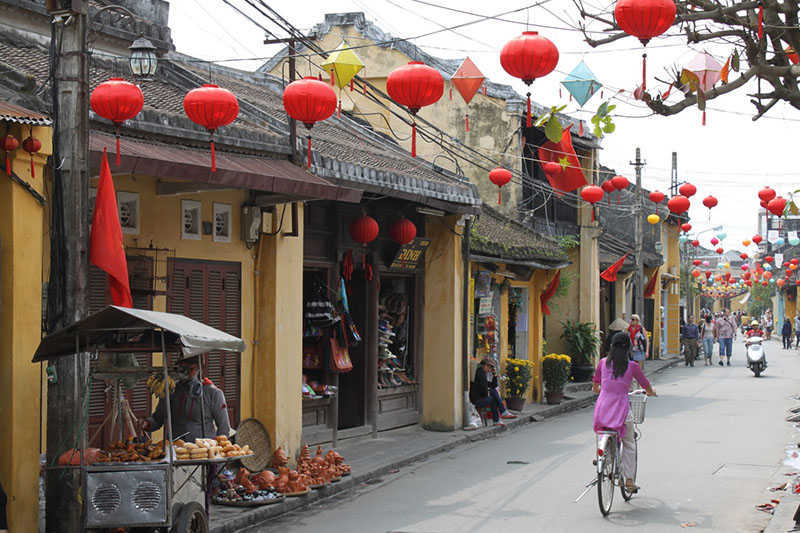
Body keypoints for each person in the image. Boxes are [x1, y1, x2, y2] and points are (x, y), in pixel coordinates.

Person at [592, 332, 657, 492]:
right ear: (628, 347)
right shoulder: (632, 366)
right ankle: (628, 479)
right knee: (629, 443)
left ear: (611, 346)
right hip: (621, 409)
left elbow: (595, 386)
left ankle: (602, 455)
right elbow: (645, 384)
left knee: (604, 432)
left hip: (603, 408)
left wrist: (602, 389)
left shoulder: (602, 363)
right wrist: (650, 392)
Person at [141, 356, 232, 441]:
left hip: (202, 450)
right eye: (183, 369)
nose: (187, 373)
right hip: (175, 449)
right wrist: (146, 424)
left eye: (191, 369)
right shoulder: (171, 391)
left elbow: (224, 428)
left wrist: (217, 450)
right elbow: (158, 419)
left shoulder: (213, 393)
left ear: (199, 369)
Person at [469, 358, 504, 426]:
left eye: (491, 368)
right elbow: (483, 390)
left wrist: (494, 375)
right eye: (489, 367)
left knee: (493, 392)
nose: (489, 370)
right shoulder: (480, 373)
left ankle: (501, 413)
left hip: (481, 398)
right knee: (493, 397)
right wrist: (488, 392)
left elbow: (493, 385)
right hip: (476, 400)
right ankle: (499, 415)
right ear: (484, 365)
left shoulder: (483, 373)